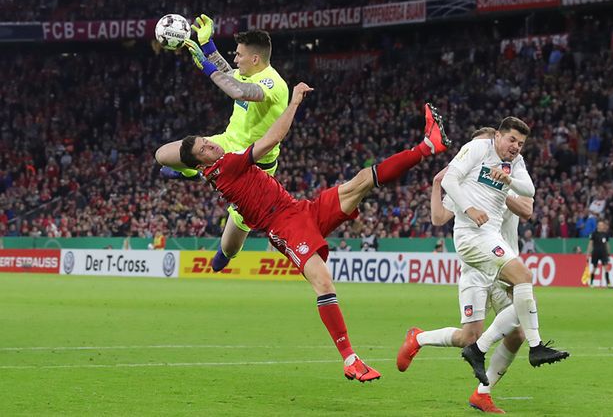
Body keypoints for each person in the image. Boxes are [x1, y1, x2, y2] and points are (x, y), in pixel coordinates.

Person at [176, 82, 451, 382]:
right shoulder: (224, 166)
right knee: (323, 282)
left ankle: (428, 146)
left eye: (206, 140)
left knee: (360, 181)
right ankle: (350, 359)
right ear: (201, 162)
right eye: (204, 147)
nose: (211, 144)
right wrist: (293, 102)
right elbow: (273, 138)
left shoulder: (215, 167)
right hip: (284, 225)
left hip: (300, 210)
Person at [397, 127, 533, 413]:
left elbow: (527, 209)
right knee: (468, 336)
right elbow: (438, 218)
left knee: (518, 333)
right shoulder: (470, 180)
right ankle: (418, 338)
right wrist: (437, 184)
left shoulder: (513, 170)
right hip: (475, 264)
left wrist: (500, 185)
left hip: (504, 261)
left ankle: (482, 393)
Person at [438, 117, 569, 386]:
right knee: (523, 277)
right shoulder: (477, 149)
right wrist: (469, 209)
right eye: (511, 140)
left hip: (491, 237)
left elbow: (529, 190)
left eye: (520, 143)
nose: (515, 146)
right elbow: (449, 179)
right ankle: (533, 347)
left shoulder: (515, 162)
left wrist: (508, 177)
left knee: (522, 298)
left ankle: (483, 350)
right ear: (497, 136)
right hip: (471, 235)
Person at [155, 14, 288, 273]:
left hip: (254, 168)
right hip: (224, 145)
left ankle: (225, 247)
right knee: (163, 155)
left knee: (230, 247)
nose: (235, 59)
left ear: (255, 59)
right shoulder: (247, 73)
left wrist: (206, 66)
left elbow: (238, 91)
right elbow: (228, 75)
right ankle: (195, 172)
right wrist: (207, 45)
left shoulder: (274, 84)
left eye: (239, 55)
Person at [586, 220, 611, 287]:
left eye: (602, 225)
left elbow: (607, 244)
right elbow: (590, 244)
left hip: (603, 253)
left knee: (606, 268)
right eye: (600, 225)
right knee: (594, 268)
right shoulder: (593, 234)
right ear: (597, 226)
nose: (601, 226)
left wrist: (608, 252)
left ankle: (608, 283)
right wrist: (588, 253)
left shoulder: (605, 234)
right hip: (595, 253)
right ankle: (591, 283)